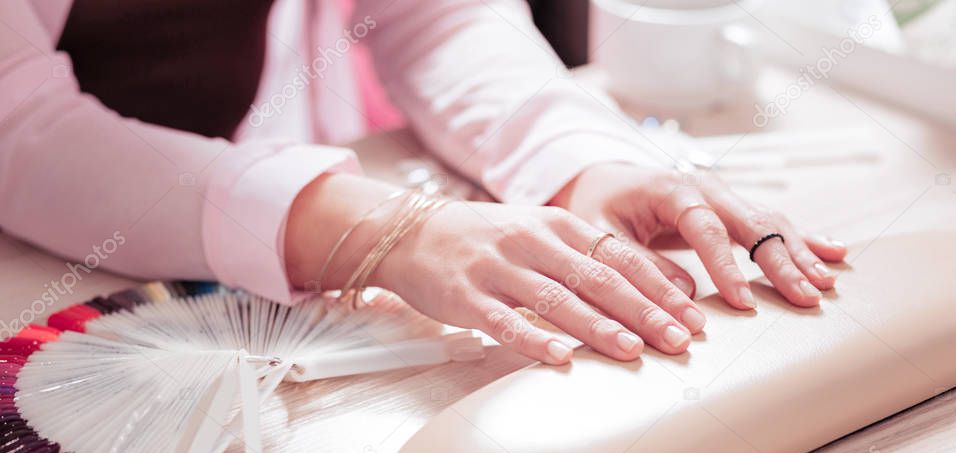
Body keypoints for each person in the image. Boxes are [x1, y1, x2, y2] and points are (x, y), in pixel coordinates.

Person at [0, 0, 846, 365]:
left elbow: (432, 15)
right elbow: (18, 129)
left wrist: (575, 160)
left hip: (156, 252)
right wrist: (385, 232)